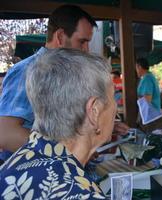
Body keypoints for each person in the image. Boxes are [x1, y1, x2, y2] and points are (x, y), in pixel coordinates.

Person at [0, 5, 129, 161]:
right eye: (82, 41)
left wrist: (101, 125)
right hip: (35, 177)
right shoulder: (27, 71)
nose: (86, 49)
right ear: (60, 37)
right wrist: (66, 154)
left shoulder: (67, 71)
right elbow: (5, 133)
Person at [0, 48, 115, 199]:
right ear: (94, 111)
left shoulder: (14, 167)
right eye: (112, 97)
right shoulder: (78, 193)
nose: (115, 107)